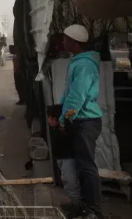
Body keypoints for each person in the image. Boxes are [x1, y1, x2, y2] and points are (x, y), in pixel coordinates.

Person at [48, 24, 104, 219]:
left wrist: (64, 120)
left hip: (85, 121)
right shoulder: (78, 62)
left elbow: (77, 96)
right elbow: (69, 93)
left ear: (74, 42)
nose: (62, 43)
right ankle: (84, 207)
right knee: (81, 165)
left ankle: (94, 211)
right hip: (79, 119)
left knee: (87, 167)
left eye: (65, 39)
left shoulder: (84, 64)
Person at [48, 104, 81, 218]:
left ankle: (76, 208)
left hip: (67, 159)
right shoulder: (56, 129)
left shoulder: (65, 130)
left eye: (50, 118)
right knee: (67, 182)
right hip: (62, 159)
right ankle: (73, 204)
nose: (48, 120)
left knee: (70, 182)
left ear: (56, 119)